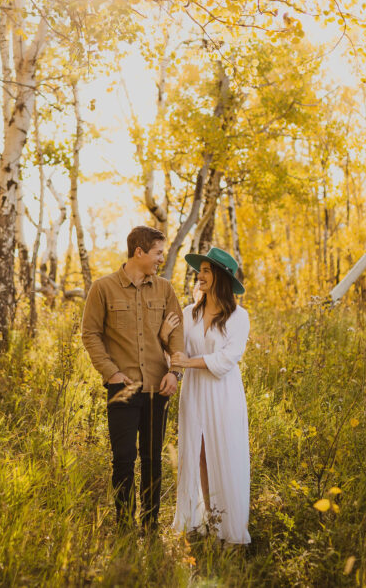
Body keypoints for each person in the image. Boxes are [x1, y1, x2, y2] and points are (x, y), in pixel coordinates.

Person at [81, 225, 185, 533]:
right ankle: (124, 526)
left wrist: (175, 372)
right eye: (157, 253)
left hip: (158, 387)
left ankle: (150, 526)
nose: (160, 259)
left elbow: (177, 334)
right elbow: (91, 334)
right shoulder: (103, 288)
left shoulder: (165, 289)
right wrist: (111, 372)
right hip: (122, 389)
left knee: (153, 459)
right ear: (138, 252)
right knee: (123, 460)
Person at [169, 246, 251, 545]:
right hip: (194, 391)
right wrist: (169, 341)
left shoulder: (239, 317)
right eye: (199, 270)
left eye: (205, 270)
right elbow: (178, 349)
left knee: (224, 452)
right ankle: (205, 519)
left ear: (220, 276)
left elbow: (228, 358)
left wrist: (186, 363)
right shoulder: (190, 312)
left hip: (223, 393)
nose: (199, 275)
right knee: (198, 452)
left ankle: (229, 527)